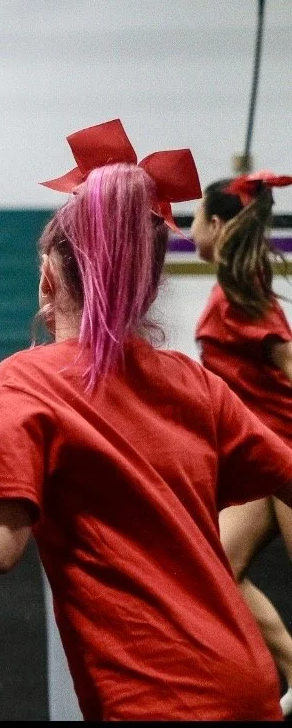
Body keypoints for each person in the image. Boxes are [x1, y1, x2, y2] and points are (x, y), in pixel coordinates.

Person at [0, 119, 292, 720]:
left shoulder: (25, 379)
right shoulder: (197, 383)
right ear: (148, 282)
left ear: (47, 279)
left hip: (152, 699)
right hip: (247, 685)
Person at [191, 169, 292, 715]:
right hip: (258, 459)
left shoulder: (242, 295)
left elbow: (288, 362)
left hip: (284, 456)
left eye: (195, 219)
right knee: (218, 567)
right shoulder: (235, 288)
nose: (188, 231)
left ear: (218, 223)